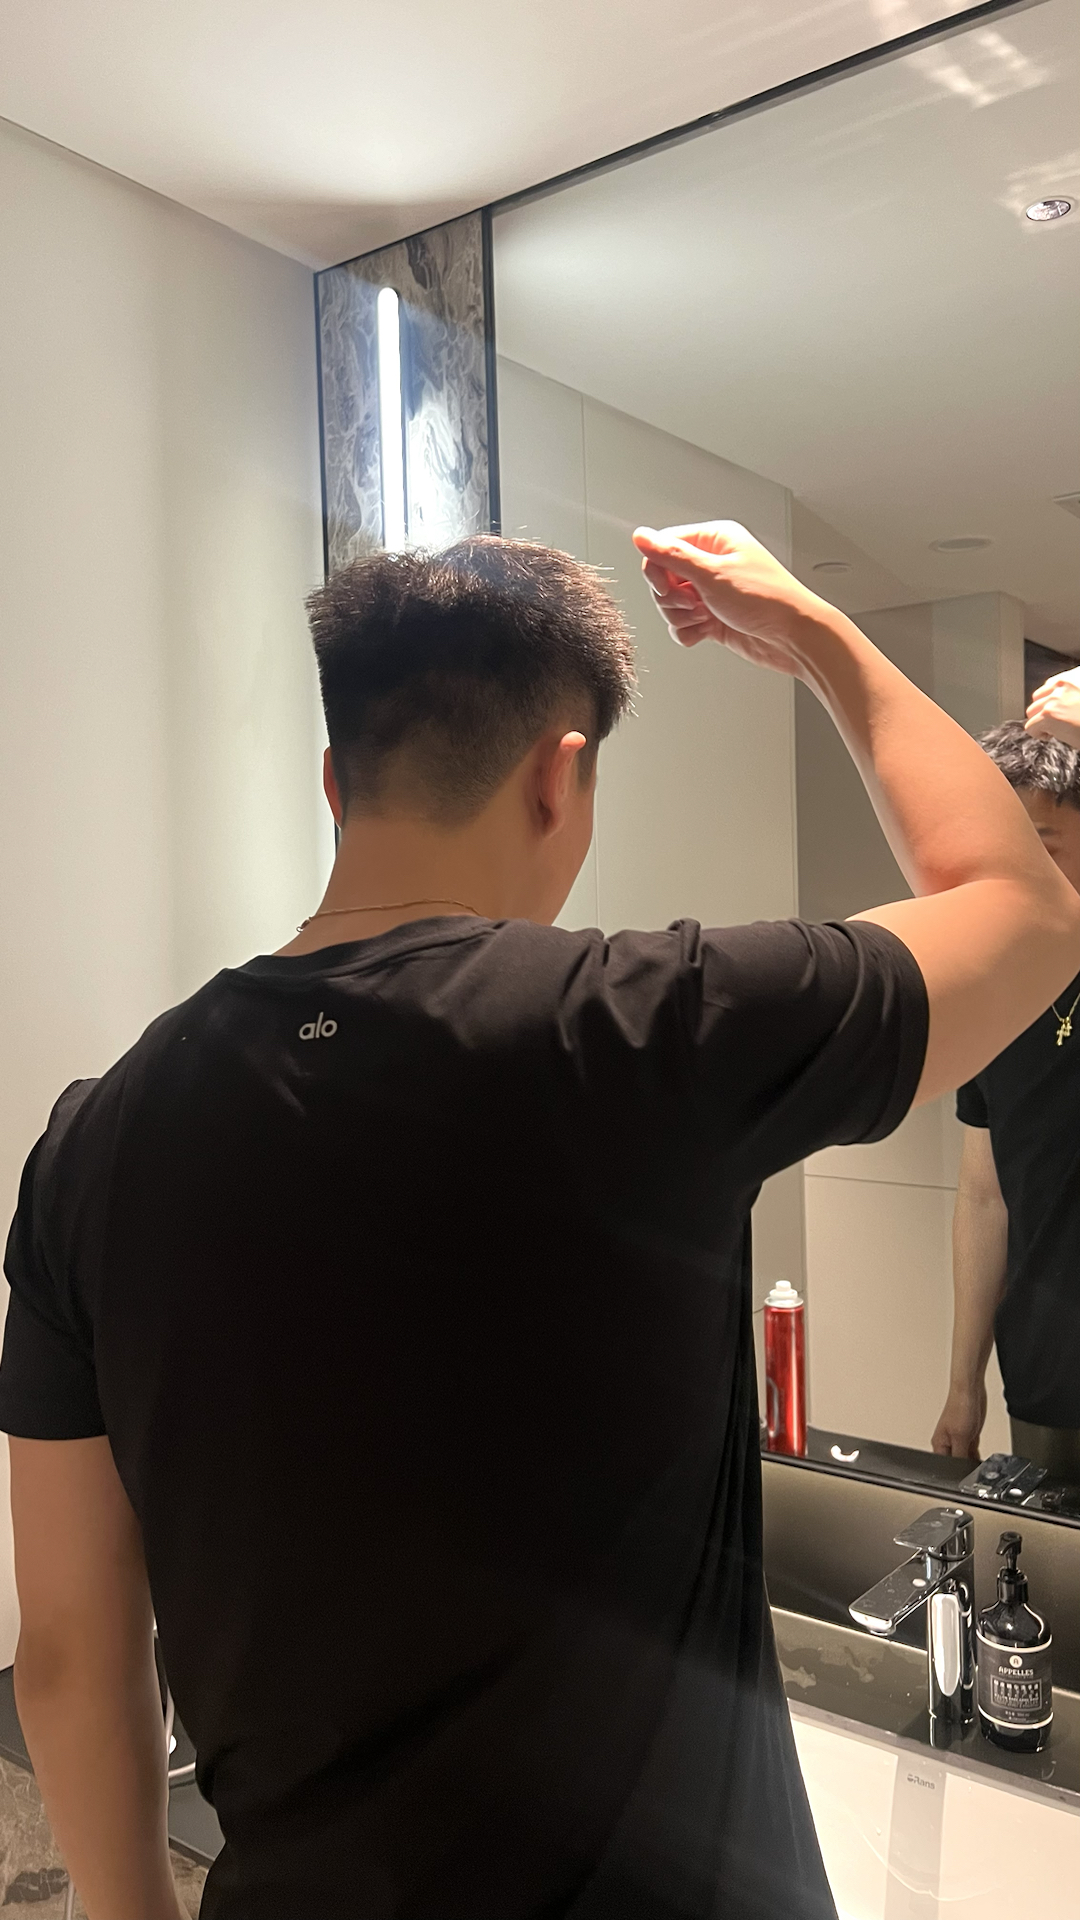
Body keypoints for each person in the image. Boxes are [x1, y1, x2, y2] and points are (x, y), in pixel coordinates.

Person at [3, 524, 1079, 1920]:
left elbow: (71, 1657)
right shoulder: (652, 1033)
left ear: (336, 783)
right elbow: (1029, 912)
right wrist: (811, 629)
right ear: (560, 779)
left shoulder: (94, 1143)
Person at [933, 689, 1080, 1478]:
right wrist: (965, 1382)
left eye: (1044, 849)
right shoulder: (1001, 991)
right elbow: (985, 1196)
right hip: (1045, 1381)